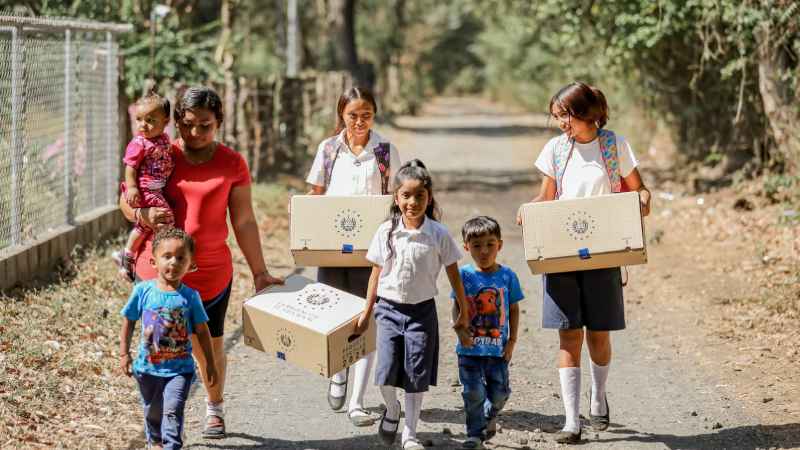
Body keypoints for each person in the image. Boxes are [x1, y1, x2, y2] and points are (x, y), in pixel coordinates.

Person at [119, 86, 283, 439]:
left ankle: (215, 408)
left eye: (205, 126)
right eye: (187, 125)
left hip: (211, 273)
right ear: (174, 121)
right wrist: (143, 213)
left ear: (219, 123)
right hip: (159, 271)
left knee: (209, 347)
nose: (195, 134)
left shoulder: (232, 163)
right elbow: (127, 201)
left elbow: (243, 221)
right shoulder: (158, 153)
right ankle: (161, 423)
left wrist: (259, 272)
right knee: (160, 349)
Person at [517, 81, 651, 443]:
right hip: (562, 254)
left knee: (599, 334)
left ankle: (598, 394)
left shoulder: (614, 146)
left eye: (565, 115)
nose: (561, 123)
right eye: (557, 116)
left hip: (603, 253)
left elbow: (638, 189)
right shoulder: (555, 151)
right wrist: (528, 211)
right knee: (568, 334)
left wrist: (642, 199)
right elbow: (546, 197)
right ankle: (571, 420)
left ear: (587, 114)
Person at [354, 159, 472, 450]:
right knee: (385, 372)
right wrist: (366, 312)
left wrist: (463, 308)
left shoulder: (438, 234)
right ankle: (392, 409)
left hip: (422, 313)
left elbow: (454, 274)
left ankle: (410, 433)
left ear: (429, 198)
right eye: (406, 195)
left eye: (420, 195)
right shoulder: (386, 232)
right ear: (396, 198)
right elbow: (375, 276)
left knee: (415, 375)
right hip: (388, 310)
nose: (413, 202)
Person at [304, 86, 401, 426]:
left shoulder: (385, 151)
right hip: (332, 249)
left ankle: (357, 401)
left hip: (371, 250)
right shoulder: (329, 150)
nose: (360, 122)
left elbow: (395, 197)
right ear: (341, 115)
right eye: (352, 115)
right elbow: (315, 194)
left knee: (365, 319)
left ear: (375, 115)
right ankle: (338, 374)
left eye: (367, 115)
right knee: (333, 314)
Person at [119, 228, 217, 450]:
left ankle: (171, 444)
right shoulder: (143, 291)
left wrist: (210, 363)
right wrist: (124, 354)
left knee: (172, 409)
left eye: (181, 258)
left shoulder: (191, 297)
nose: (173, 262)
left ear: (191, 265)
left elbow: (202, 332)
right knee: (153, 410)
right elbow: (129, 321)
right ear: (154, 262)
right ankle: (155, 440)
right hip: (147, 368)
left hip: (179, 370)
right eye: (167, 256)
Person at [450, 216, 524, 449]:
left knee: (500, 393)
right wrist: (460, 330)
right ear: (466, 248)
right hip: (469, 350)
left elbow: (513, 308)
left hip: (498, 350)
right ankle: (474, 434)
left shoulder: (508, 276)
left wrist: (511, 341)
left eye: (490, 244)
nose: (484, 251)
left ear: (499, 245)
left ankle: (490, 415)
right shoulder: (464, 275)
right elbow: (456, 305)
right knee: (472, 393)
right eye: (477, 246)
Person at [113, 93, 174, 282]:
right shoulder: (139, 143)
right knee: (166, 220)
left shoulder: (163, 140)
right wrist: (131, 188)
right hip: (146, 190)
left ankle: (128, 254)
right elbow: (130, 167)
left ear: (166, 121)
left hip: (157, 188)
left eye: (150, 120)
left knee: (144, 226)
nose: (143, 125)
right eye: (139, 119)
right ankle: (160, 256)